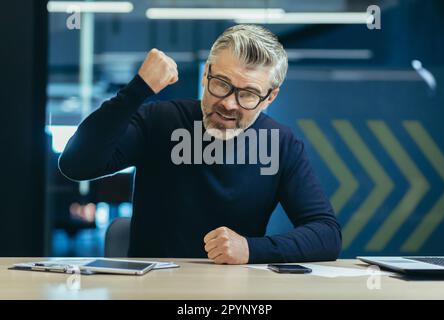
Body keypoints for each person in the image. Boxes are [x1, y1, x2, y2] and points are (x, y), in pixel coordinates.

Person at [59, 24, 341, 264]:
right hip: (153, 291)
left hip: (232, 293)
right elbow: (76, 164)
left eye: (249, 94)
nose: (229, 103)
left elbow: (326, 234)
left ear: (270, 97)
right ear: (206, 74)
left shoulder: (280, 143)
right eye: (221, 83)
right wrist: (138, 89)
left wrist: (251, 249)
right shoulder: (160, 121)